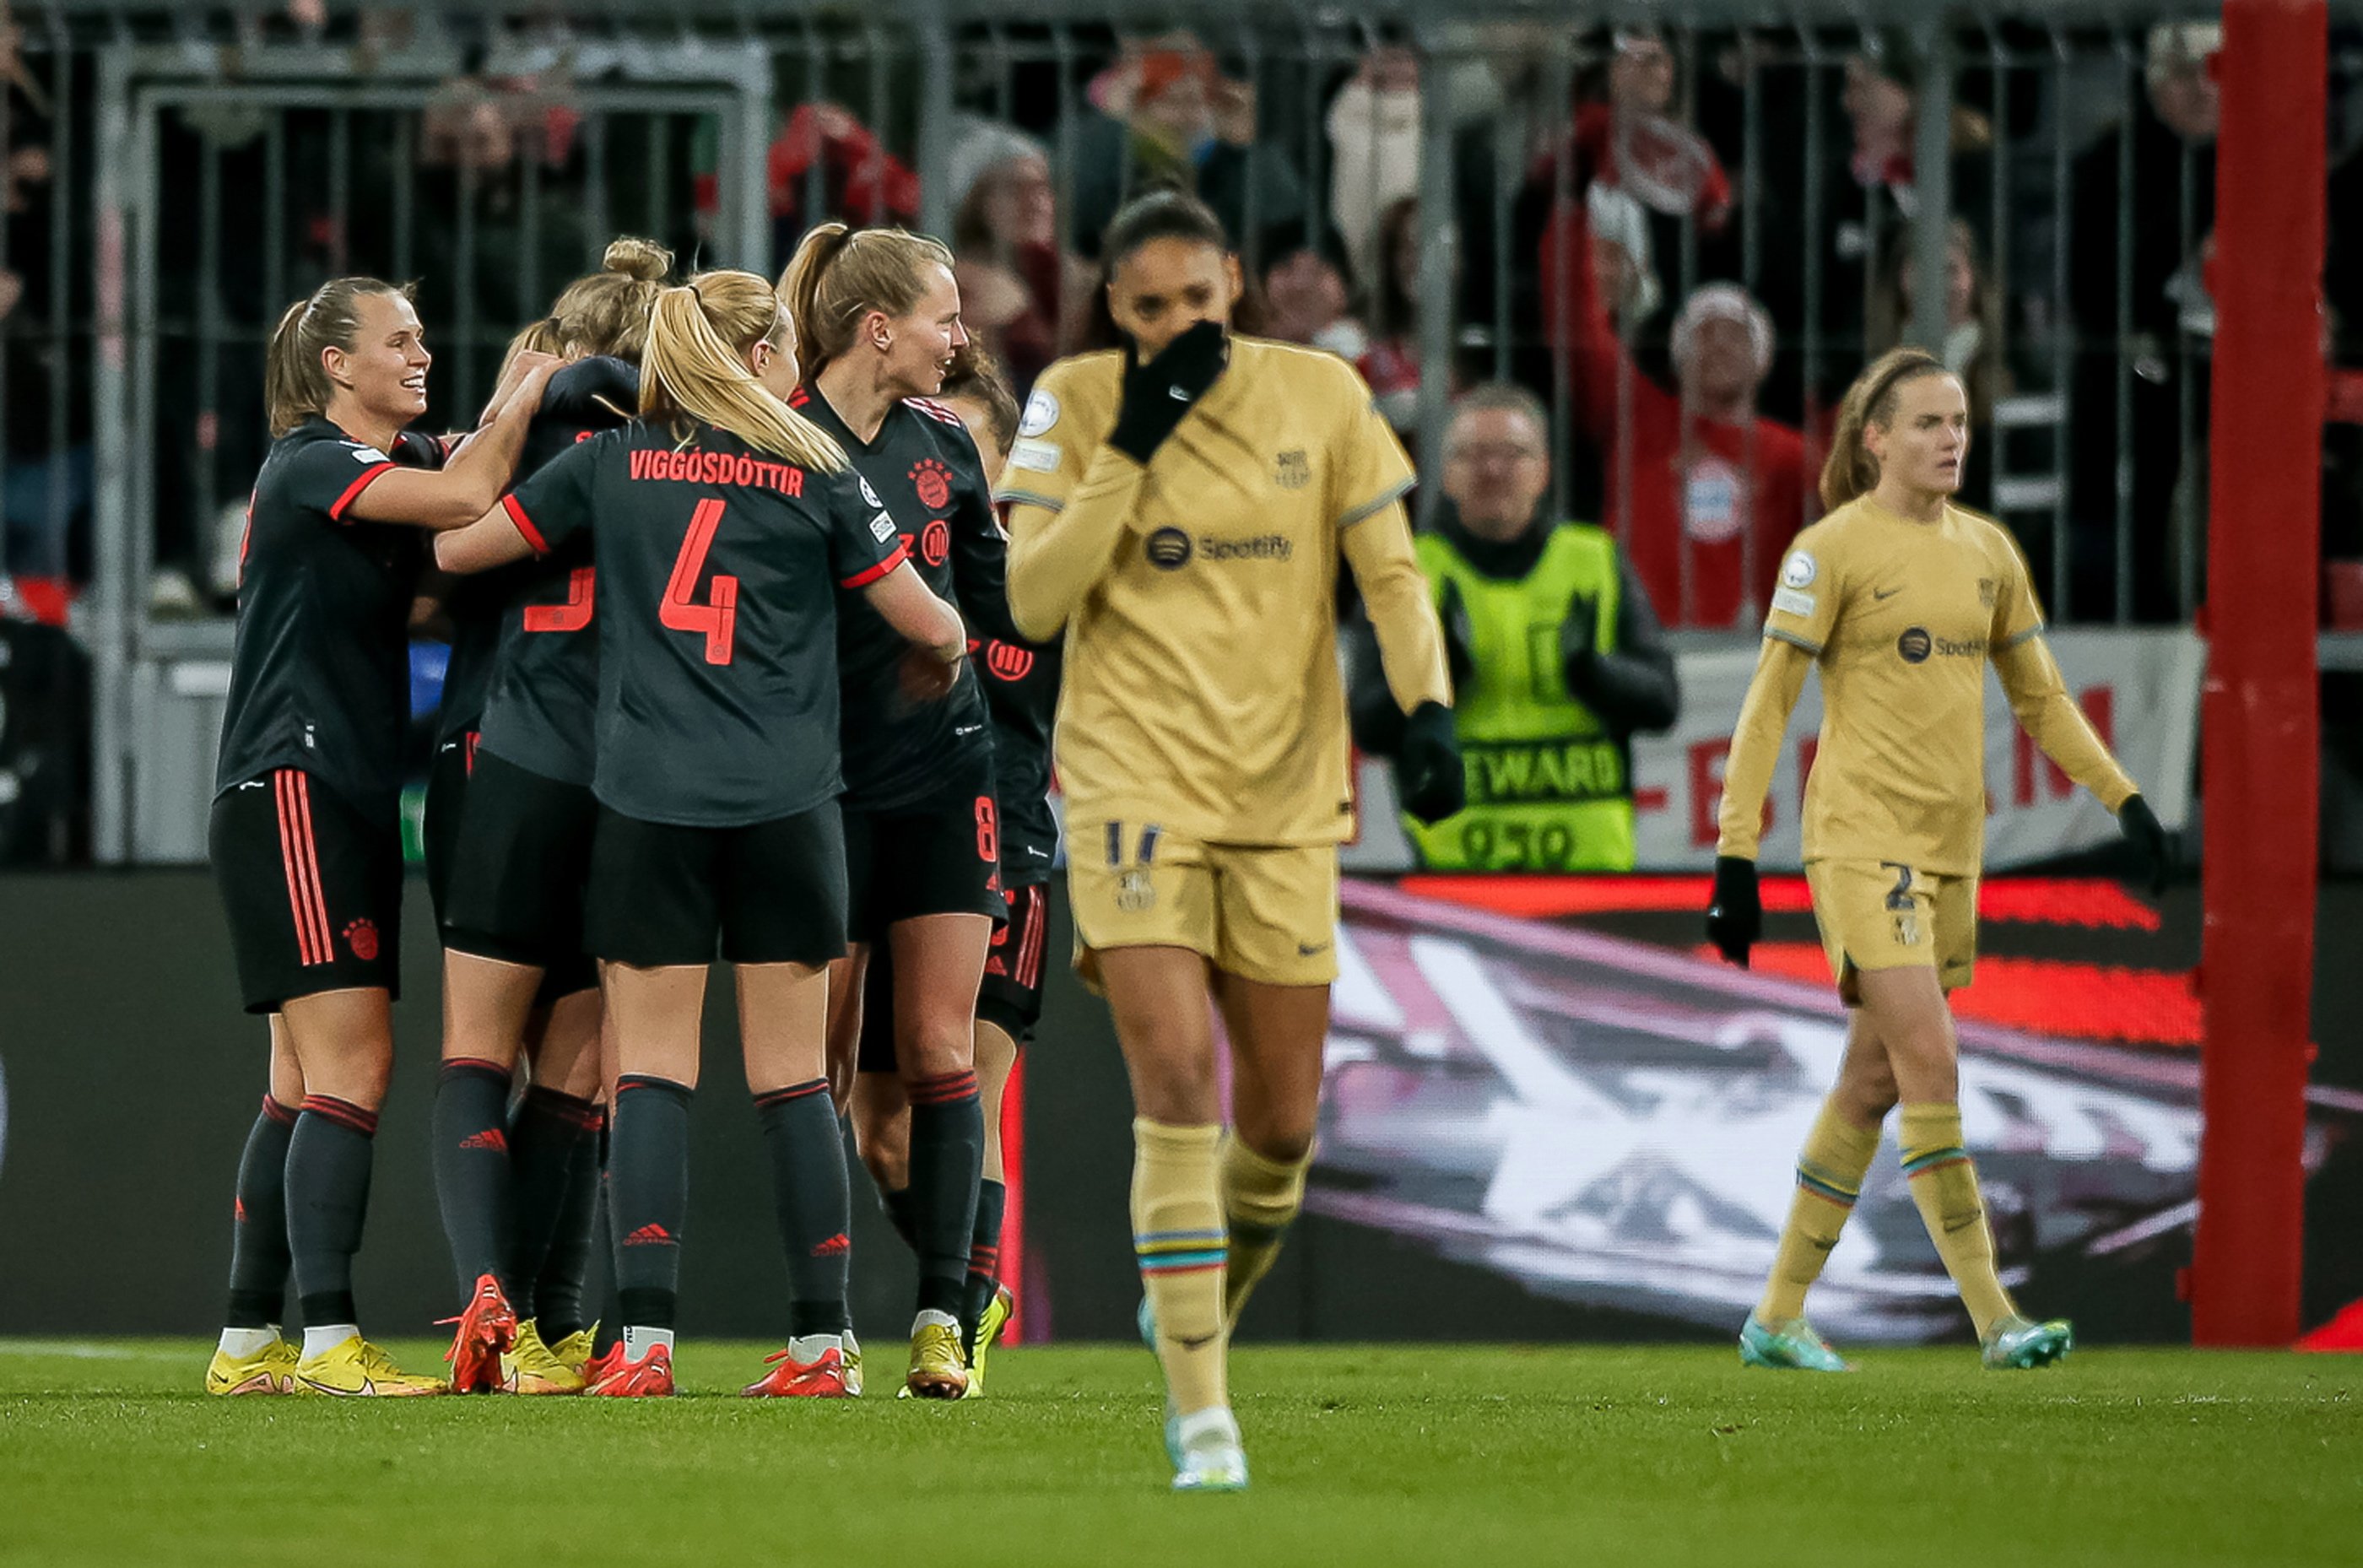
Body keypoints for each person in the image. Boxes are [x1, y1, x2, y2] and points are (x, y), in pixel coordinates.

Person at [433, 270, 966, 1400]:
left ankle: (647, 1346)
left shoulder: (610, 464)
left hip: (649, 805)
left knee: (654, 1079)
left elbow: (458, 552)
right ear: (763, 351)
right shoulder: (820, 468)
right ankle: (824, 1346)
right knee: (789, 1084)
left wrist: (504, 420)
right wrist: (933, 650)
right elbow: (934, 622)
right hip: (789, 806)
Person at [1002, 189, 1463, 1490]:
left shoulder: (1320, 394)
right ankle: (1203, 1415)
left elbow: (1393, 576)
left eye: (1196, 302)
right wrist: (1130, 445)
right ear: (1111, 308)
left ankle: (1199, 1293)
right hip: (1129, 783)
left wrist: (1425, 708)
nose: (1176, 326)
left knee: (1280, 1126)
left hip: (1283, 796)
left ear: (1234, 287)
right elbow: (1032, 602)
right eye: (1148, 308)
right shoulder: (1077, 399)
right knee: (1177, 1088)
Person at [1703, 348, 2171, 1373]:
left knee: (1869, 1082)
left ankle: (1775, 1317)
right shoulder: (1829, 551)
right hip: (1861, 838)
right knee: (1932, 1061)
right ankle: (1995, 1317)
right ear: (1874, 439)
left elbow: (2042, 699)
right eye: (1925, 423)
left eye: (1958, 420)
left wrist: (2123, 800)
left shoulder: (1987, 552)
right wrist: (1736, 856)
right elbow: (1767, 704)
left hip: (1951, 845)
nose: (1950, 437)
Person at [206, 276, 557, 1398]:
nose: (418, 354)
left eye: (420, 334)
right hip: (297, 782)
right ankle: (329, 1341)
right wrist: (530, 392)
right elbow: (464, 492)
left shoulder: (352, 487)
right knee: (353, 1065)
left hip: (324, 789)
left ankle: (248, 1339)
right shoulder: (315, 459)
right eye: (395, 340)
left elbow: (435, 570)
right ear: (333, 368)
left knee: (302, 1078)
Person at [424, 237, 670, 1396]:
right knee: (576, 1070)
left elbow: (436, 571)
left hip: (497, 751)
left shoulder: (514, 445)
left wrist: (509, 403)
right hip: (624, 766)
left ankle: (494, 1305)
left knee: (476, 1053)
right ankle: (552, 1322)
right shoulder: (678, 455)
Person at [778, 223, 1015, 1401]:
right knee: (815, 1067)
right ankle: (821, 1327)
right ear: (879, 329)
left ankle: (942, 1316)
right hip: (818, 792)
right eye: (945, 316)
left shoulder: (949, 447)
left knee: (937, 1050)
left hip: (944, 782)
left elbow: (997, 614)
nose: (961, 337)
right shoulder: (778, 439)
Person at [838, 352, 1051, 1397]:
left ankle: (955, 1319)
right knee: (881, 1133)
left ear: (995, 460)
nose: (928, 478)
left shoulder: (1038, 585)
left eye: (953, 451)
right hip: (900, 837)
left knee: (963, 1074)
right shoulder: (889, 583)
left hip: (1007, 854)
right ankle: (967, 1278)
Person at [1349, 383, 1678, 871]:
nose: (1493, 471)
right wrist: (1437, 677)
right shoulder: (1404, 574)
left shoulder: (1597, 560)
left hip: (1593, 880)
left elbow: (1663, 703)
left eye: (1513, 454)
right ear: (1446, 474)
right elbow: (1368, 726)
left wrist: (1595, 673)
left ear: (1544, 470)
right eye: (1473, 455)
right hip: (1453, 878)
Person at [1542, 187, 1817, 627]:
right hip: (1638, 641)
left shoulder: (1795, 457)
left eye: (1738, 334)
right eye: (1705, 332)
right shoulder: (1637, 417)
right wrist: (1575, 198)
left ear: (1764, 360)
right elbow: (1577, 319)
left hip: (1747, 657)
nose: (1721, 345)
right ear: (1678, 354)